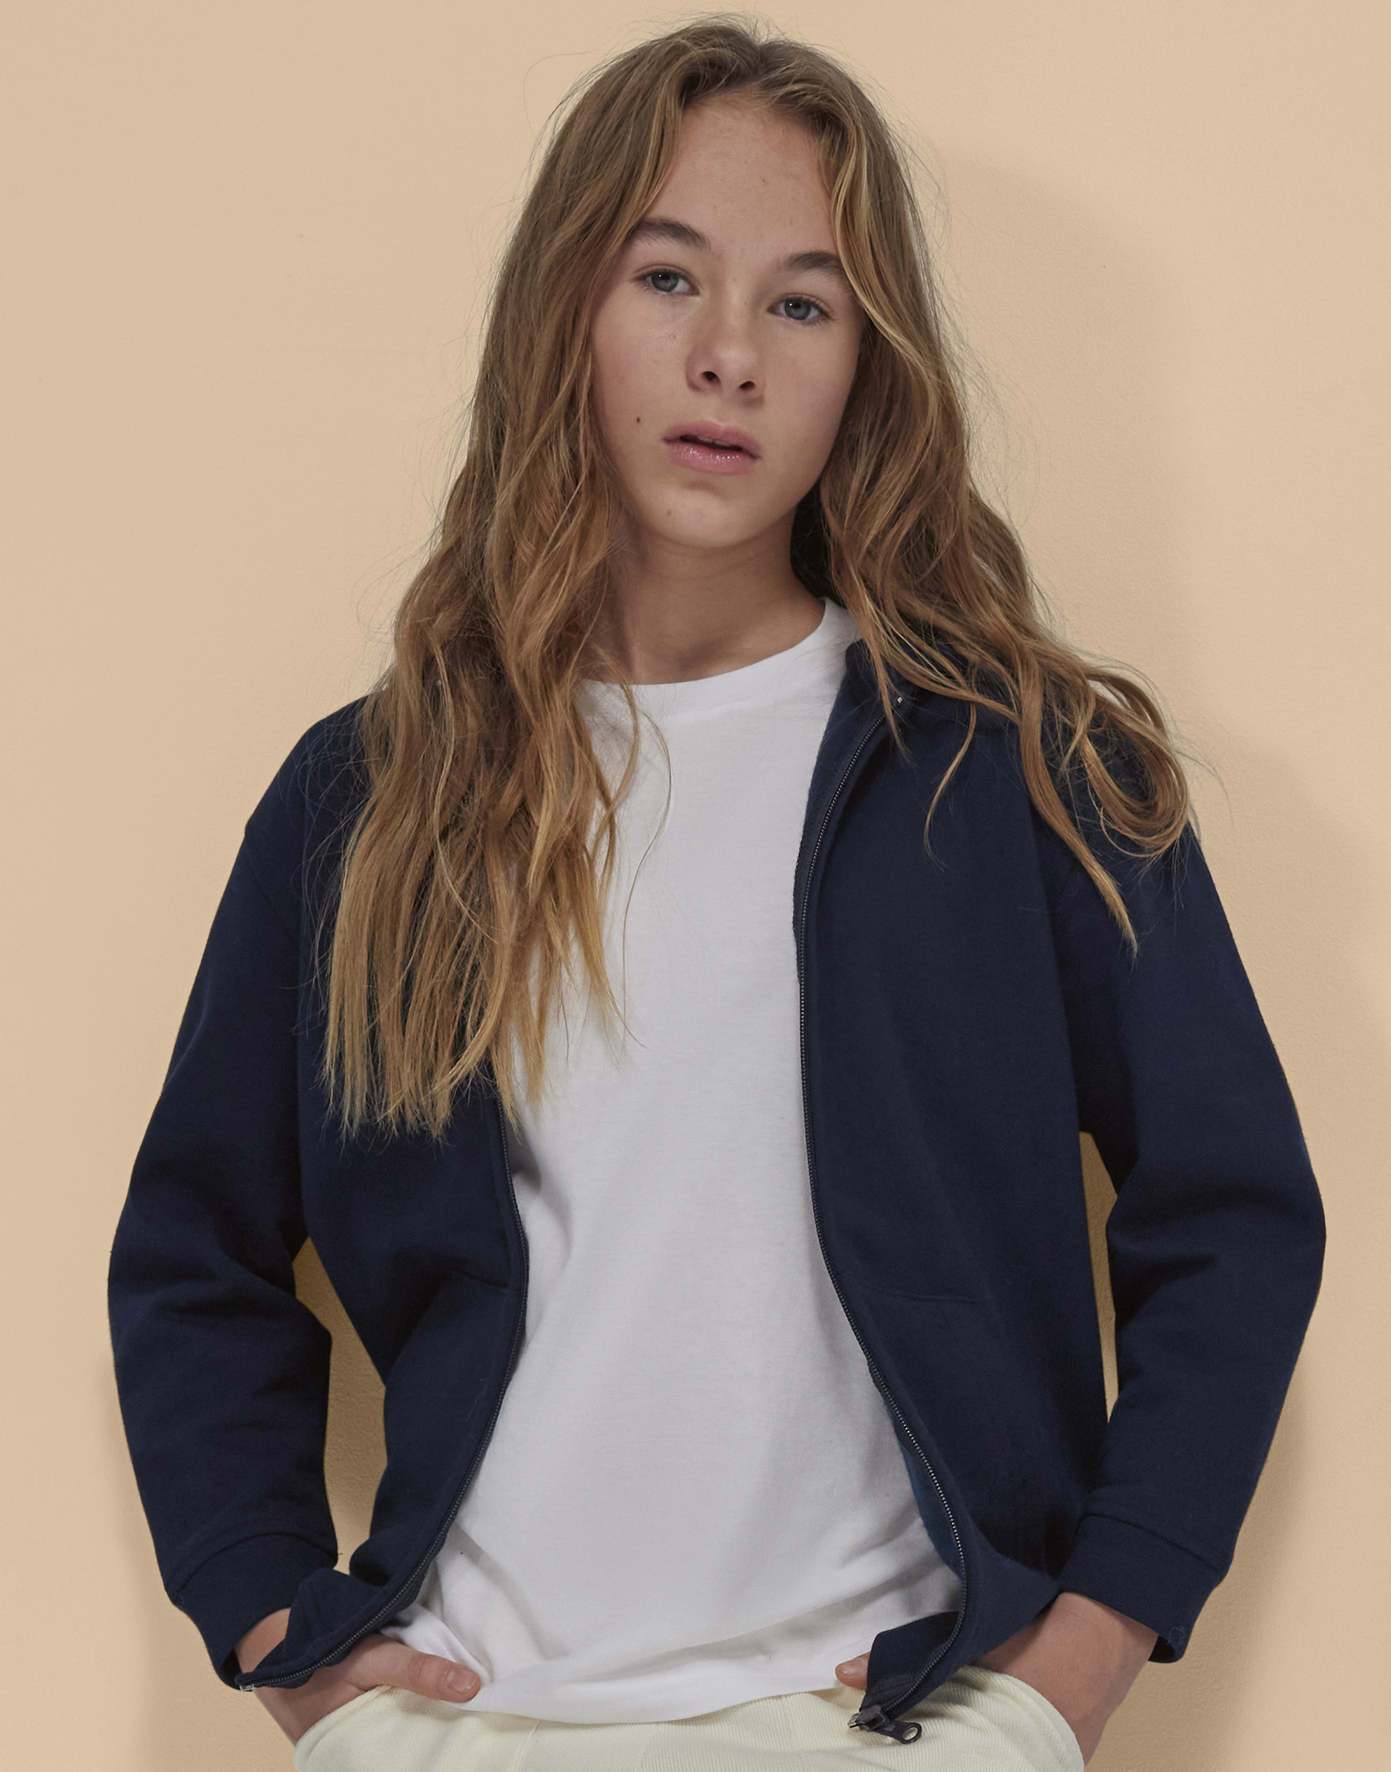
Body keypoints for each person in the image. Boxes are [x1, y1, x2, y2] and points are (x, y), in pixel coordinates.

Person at [107, 17, 1324, 1771]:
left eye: (803, 304)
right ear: (567, 313)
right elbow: (194, 1251)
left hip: (893, 1721)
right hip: (467, 1723)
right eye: (666, 276)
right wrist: (278, 1633)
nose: (729, 357)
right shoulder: (371, 795)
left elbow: (1233, 1215)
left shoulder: (1024, 777)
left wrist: (1087, 1648)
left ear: (867, 366)